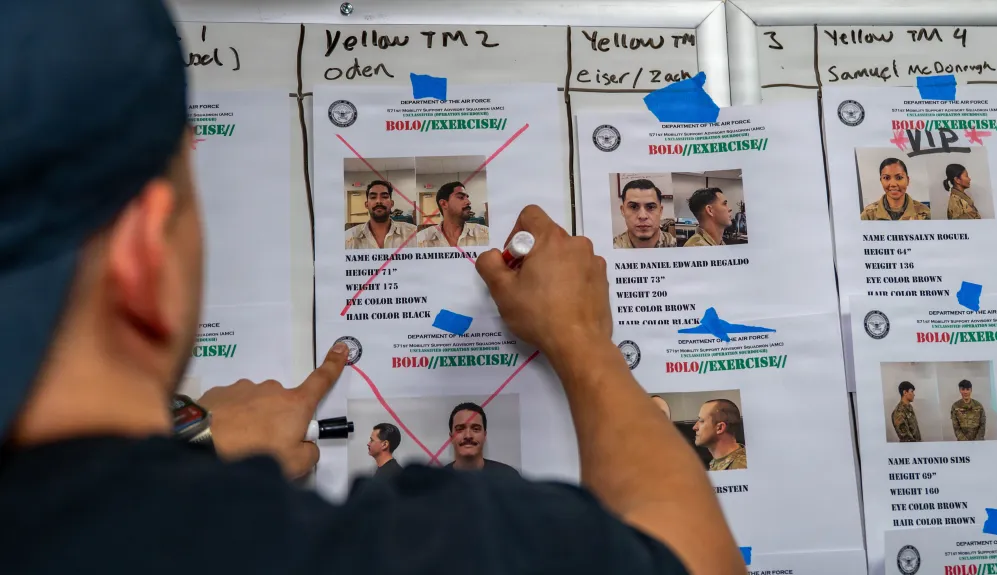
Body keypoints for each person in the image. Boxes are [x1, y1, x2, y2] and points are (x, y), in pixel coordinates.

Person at [0, 2, 744, 574]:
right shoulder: (410, 546)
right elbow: (695, 559)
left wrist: (193, 444)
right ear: (141, 254)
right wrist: (582, 339)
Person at [444, 402, 519, 477]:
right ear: (451, 437)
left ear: (484, 435)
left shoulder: (509, 477)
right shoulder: (439, 480)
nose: (468, 435)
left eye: (476, 429)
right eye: (460, 429)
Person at [344, 180, 418, 249]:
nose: (378, 201)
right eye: (373, 197)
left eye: (384, 197)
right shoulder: (347, 238)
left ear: (391, 203)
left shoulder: (413, 234)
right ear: (366, 205)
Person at [416, 181, 490, 248]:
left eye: (467, 197)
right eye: (461, 197)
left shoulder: (486, 234)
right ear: (444, 204)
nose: (468, 202)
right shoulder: (421, 239)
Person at [612, 179, 676, 248]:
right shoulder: (609, 249)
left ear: (660, 211)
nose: (642, 216)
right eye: (633, 207)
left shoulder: (677, 248)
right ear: (623, 210)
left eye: (650, 207)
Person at [860, 158, 931, 221]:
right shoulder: (869, 215)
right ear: (881, 181)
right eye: (886, 178)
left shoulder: (925, 214)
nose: (893, 184)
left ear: (907, 180)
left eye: (899, 178)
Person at [692, 400, 747, 471]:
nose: (694, 427)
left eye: (701, 421)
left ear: (720, 428)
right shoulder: (717, 462)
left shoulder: (740, 467)